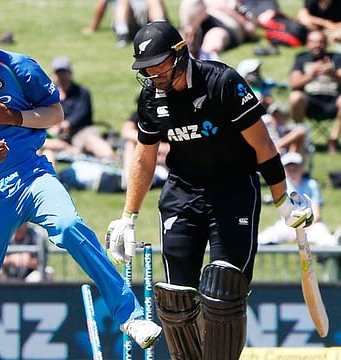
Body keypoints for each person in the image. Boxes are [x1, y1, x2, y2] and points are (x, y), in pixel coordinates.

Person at [0, 6, 161, 358]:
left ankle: (129, 315)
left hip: (30, 175)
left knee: (68, 226)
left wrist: (15, 117)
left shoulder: (17, 66)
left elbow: (55, 113)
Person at [105, 21, 313, 359]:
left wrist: (282, 201)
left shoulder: (223, 82)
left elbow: (263, 147)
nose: (153, 76)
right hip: (182, 193)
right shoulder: (151, 98)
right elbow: (144, 159)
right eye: (146, 70)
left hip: (233, 191)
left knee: (224, 289)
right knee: (176, 299)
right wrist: (128, 217)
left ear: (179, 56)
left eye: (158, 66)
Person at [46, 55, 115, 162]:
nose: (61, 75)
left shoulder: (82, 92)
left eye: (64, 72)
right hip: (56, 135)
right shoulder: (49, 95)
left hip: (81, 130)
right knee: (47, 151)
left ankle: (111, 161)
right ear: (53, 75)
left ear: (70, 72)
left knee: (92, 141)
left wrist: (63, 125)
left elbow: (81, 113)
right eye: (58, 72)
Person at [259, 152, 337, 246]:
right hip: (287, 225)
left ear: (302, 168)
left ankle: (327, 254)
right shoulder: (282, 186)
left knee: (327, 239)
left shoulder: (312, 185)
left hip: (311, 225)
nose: (292, 170)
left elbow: (317, 214)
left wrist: (302, 230)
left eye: (295, 168)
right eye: (289, 168)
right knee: (264, 237)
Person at [288, 29, 341, 154]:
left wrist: (333, 74)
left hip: (333, 102)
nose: (317, 45)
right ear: (307, 43)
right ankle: (299, 137)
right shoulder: (301, 59)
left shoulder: (337, 58)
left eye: (320, 42)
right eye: (313, 42)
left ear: (326, 43)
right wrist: (312, 74)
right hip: (310, 102)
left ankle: (333, 139)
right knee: (295, 97)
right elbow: (294, 84)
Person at [179, 0, 257, 59]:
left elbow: (251, 29)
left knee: (216, 34)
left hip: (227, 24)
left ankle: (205, 58)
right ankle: (187, 39)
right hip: (206, 15)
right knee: (192, 2)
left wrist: (245, 23)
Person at [121, 104, 168, 188]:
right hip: (149, 152)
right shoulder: (144, 112)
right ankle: (129, 180)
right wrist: (154, 145)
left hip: (167, 155)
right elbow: (126, 131)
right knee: (130, 144)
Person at [82, 0, 167, 47]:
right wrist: (93, 27)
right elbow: (101, 5)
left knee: (154, 1)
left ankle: (163, 31)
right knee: (123, 1)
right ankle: (122, 36)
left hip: (147, 18)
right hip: (125, 18)